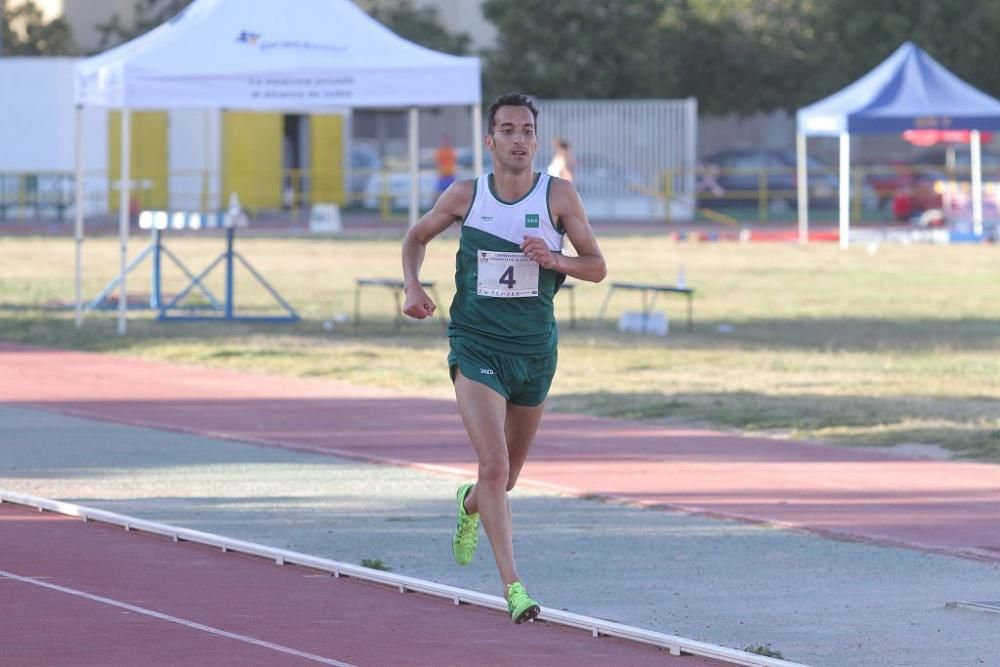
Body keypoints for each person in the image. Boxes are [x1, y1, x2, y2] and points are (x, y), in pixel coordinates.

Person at [401, 93, 607, 624]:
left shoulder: (558, 196)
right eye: (508, 130)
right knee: (494, 464)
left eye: (527, 131)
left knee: (504, 479)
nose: (519, 139)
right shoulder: (467, 195)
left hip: (534, 351)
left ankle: (471, 501)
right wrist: (412, 287)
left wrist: (554, 257)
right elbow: (415, 237)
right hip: (476, 345)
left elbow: (597, 266)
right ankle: (514, 588)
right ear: (490, 140)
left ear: (536, 140)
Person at [435, 134, 457, 199]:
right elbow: (439, 163)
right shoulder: (440, 152)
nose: (445, 142)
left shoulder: (451, 151)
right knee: (438, 194)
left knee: (453, 193)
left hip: (450, 175)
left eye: (446, 140)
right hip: (443, 176)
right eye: (444, 140)